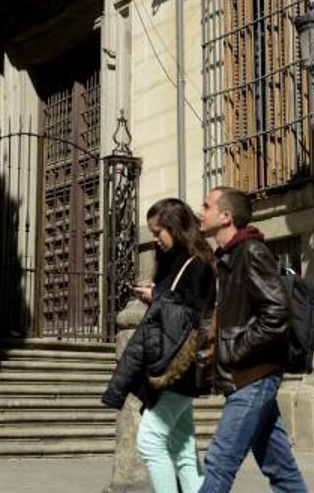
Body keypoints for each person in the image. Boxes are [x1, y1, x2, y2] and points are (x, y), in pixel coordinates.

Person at [195, 186, 307, 493]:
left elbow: (276, 315)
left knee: (219, 462)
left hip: (254, 375)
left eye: (207, 206)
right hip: (247, 374)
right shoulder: (227, 258)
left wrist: (234, 350)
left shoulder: (251, 252)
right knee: (280, 469)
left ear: (225, 216)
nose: (200, 211)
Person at [102, 198, 215, 493]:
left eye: (158, 231)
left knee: (150, 440)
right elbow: (175, 302)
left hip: (182, 363)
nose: (154, 238)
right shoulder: (172, 261)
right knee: (183, 447)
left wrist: (158, 297)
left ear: (175, 228)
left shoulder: (198, 263)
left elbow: (196, 313)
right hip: (171, 362)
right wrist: (157, 292)